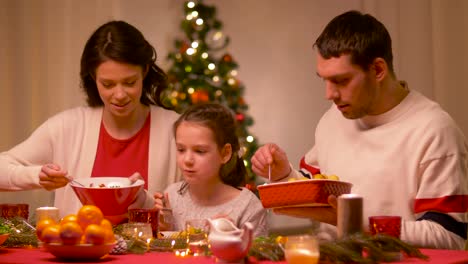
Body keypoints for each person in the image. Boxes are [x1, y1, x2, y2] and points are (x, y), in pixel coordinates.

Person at [251, 10, 467, 249]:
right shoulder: (332, 119)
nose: (329, 94)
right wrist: (284, 174)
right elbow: (317, 190)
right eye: (324, 80)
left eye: (341, 81)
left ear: (377, 70)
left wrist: (353, 221)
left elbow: (449, 237)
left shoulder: (434, 130)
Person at [0, 20, 182, 218]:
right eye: (108, 84)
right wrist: (37, 176)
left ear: (145, 71)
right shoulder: (67, 127)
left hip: (155, 249)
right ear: (93, 78)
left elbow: (206, 197)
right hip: (79, 246)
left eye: (129, 82)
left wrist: (150, 205)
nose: (120, 94)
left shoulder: (174, 129)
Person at [154, 103, 267, 237]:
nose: (187, 160)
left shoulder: (248, 206)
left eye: (200, 151)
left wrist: (231, 239)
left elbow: (260, 254)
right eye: (181, 150)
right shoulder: (171, 197)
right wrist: (164, 229)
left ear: (225, 154)